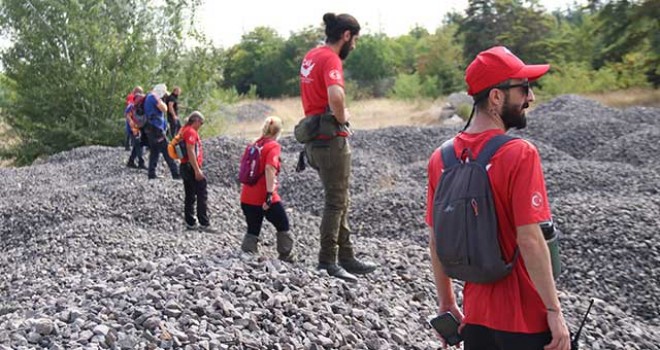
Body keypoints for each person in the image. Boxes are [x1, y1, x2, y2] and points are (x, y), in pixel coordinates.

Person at [426, 46, 570, 350]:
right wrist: (554, 311)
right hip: (526, 321)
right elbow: (530, 240)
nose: (530, 98)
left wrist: (446, 302)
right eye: (523, 89)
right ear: (496, 97)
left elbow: (437, 239)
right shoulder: (519, 153)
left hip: (475, 321)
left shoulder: (440, 159)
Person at [299, 13, 377, 283]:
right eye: (354, 40)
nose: (354, 45)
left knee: (339, 198)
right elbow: (335, 95)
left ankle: (346, 256)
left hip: (314, 138)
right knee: (335, 202)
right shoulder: (330, 59)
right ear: (346, 35)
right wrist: (343, 117)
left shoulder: (311, 55)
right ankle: (328, 261)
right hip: (330, 139)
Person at [240, 116, 297, 262]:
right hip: (262, 195)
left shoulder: (253, 144)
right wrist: (269, 194)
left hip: (246, 196)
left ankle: (248, 252)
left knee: (253, 226)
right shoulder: (273, 146)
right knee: (282, 223)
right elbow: (269, 168)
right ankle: (286, 255)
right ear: (278, 132)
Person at [179, 111, 215, 233]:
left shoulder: (183, 129)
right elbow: (190, 150)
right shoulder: (190, 132)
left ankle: (190, 222)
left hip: (184, 166)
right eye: (201, 123)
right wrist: (197, 170)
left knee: (189, 195)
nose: (201, 125)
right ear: (196, 121)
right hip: (191, 167)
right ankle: (204, 222)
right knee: (201, 193)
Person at [144, 83, 180, 180]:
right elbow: (164, 108)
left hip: (151, 128)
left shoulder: (148, 97)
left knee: (154, 151)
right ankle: (175, 173)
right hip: (156, 129)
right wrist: (162, 101)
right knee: (167, 150)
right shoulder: (154, 97)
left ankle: (151, 174)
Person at [125, 92, 146, 169]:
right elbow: (128, 117)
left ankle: (131, 161)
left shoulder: (141, 107)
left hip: (139, 129)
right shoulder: (131, 107)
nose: (141, 100)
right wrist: (134, 128)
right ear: (136, 99)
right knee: (138, 145)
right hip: (132, 129)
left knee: (137, 145)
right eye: (139, 98)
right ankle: (141, 162)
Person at [124, 86, 143, 150]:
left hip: (132, 114)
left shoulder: (130, 96)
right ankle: (130, 145)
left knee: (130, 130)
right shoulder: (132, 97)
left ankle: (129, 145)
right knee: (131, 130)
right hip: (132, 115)